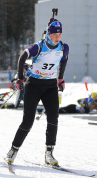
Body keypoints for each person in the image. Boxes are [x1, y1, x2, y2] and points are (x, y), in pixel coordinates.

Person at [5, 17, 69, 166]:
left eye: (60, 35)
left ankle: (49, 154)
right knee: (28, 121)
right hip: (33, 86)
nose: (57, 37)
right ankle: (13, 151)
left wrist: (60, 79)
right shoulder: (38, 47)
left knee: (53, 119)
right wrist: (20, 79)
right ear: (48, 34)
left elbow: (64, 60)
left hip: (50, 87)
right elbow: (22, 57)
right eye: (54, 34)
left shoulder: (63, 47)